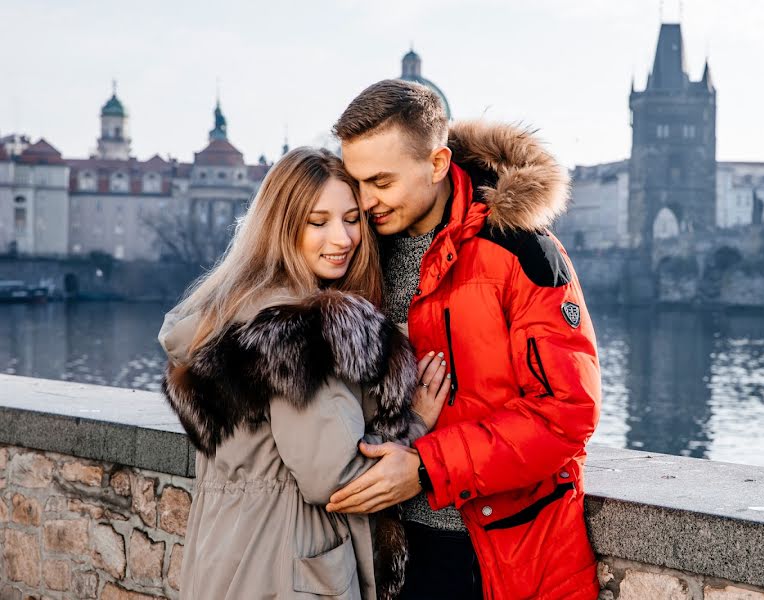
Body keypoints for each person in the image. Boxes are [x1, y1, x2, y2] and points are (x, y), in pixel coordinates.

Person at [327, 80, 603, 600]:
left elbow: (568, 412)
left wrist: (429, 469)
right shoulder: (353, 252)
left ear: (436, 164)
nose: (365, 202)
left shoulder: (522, 250)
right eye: (357, 182)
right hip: (382, 551)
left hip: (500, 551)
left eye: (381, 182)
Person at [158, 147, 450, 600]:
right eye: (319, 222)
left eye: (353, 219)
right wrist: (416, 426)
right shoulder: (298, 329)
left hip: (225, 556)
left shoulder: (235, 309)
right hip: (285, 567)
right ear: (282, 226)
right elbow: (339, 479)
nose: (343, 238)